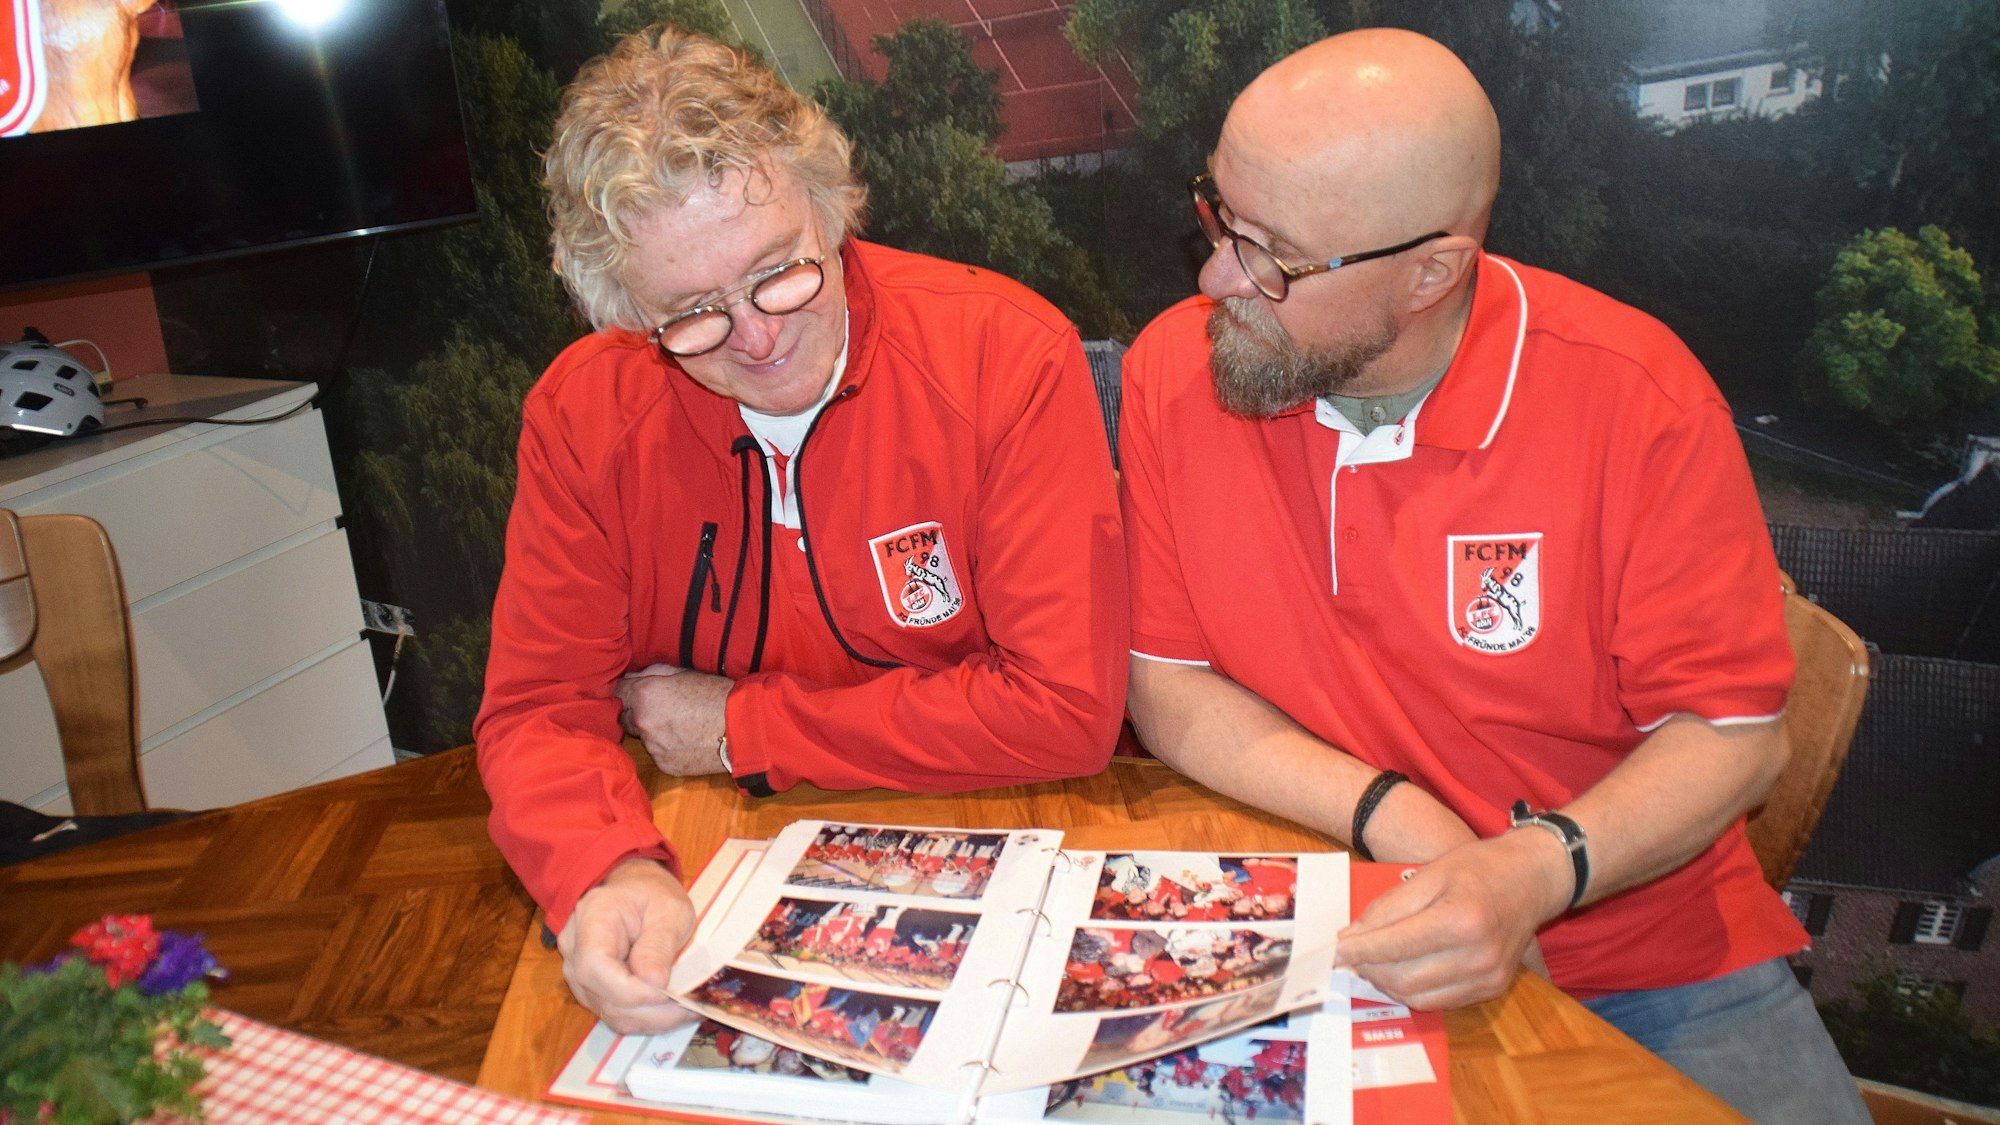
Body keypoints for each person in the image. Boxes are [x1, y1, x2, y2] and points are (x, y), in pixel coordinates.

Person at [1118, 28, 1868, 1124]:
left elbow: (1735, 737)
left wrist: (1527, 875)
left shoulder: (1635, 401)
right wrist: (1398, 817)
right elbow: (1167, 685)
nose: (1214, 276)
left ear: (1431, 271)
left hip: (1643, 954)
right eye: (1217, 217)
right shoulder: (1175, 370)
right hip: (1328, 907)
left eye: (1272, 254)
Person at [475, 27, 1126, 1034]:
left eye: (779, 271)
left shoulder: (1004, 356)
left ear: (829, 209)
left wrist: (743, 726)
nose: (758, 335)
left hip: (1004, 834)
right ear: (623, 318)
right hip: (709, 858)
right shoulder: (582, 416)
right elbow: (537, 711)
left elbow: (1062, 710)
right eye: (690, 314)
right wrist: (603, 868)